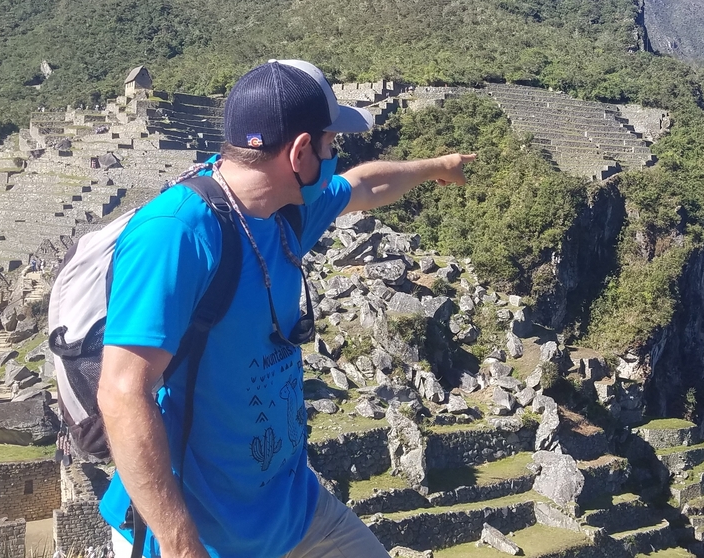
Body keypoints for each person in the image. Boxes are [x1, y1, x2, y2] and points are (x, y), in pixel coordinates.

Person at [97, 59, 475, 558]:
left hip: (295, 511)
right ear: (300, 152)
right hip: (202, 536)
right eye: (329, 143)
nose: (335, 154)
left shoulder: (284, 211)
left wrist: (435, 169)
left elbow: (365, 186)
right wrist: (177, 542)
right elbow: (123, 392)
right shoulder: (177, 233)